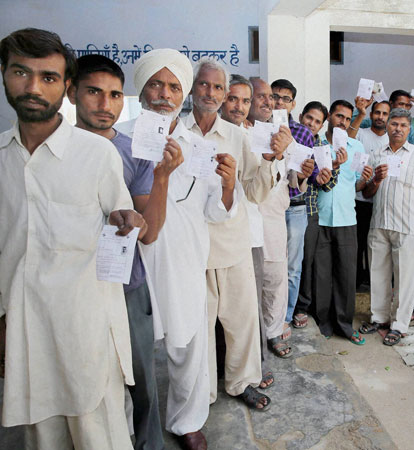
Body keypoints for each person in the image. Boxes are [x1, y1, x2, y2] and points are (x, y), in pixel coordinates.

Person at [0, 28, 145, 449]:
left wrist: (124, 220)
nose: (32, 87)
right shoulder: (2, 157)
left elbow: (123, 218)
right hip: (25, 333)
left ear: (65, 86)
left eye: (47, 77)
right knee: (41, 437)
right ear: (4, 74)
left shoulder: (96, 154)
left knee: (98, 435)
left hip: (85, 332)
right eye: (20, 72)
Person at [117, 49, 239, 450]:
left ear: (182, 93)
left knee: (188, 343)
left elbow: (214, 211)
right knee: (129, 350)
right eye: (156, 84)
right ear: (141, 89)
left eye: (173, 86)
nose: (164, 94)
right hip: (133, 260)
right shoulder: (118, 138)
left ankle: (186, 420)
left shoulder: (197, 146)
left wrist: (227, 186)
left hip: (185, 258)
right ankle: (125, 423)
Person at [68, 54, 181, 450]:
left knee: (142, 379)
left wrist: (162, 177)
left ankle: (149, 443)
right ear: (72, 93)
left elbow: (148, 234)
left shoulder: (134, 151)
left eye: (115, 95)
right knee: (84, 379)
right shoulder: (57, 149)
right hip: (74, 287)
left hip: (126, 284)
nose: (105, 104)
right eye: (94, 92)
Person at [183, 59, 285, 413]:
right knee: (198, 329)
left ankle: (242, 382)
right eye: (204, 85)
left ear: (224, 92)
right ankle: (202, 392)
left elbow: (255, 193)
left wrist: (270, 160)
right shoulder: (178, 133)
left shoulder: (237, 137)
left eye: (217, 87)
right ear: (192, 88)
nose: (210, 93)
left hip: (233, 244)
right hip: (193, 249)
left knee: (242, 322)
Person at [360, 108, 414, 346]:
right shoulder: (376, 154)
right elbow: (367, 192)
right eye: (394, 124)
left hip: (407, 227)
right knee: (378, 274)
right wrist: (376, 179)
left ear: (409, 128)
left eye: (403, 125)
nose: (398, 129)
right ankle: (379, 318)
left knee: (404, 278)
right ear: (388, 125)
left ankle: (399, 325)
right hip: (379, 224)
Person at [220, 74, 274, 388]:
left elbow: (257, 192)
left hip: (248, 235)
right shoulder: (204, 135)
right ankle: (221, 369)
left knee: (248, 310)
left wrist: (271, 159)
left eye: (245, 101)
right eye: (232, 99)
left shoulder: (254, 136)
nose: (239, 107)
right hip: (211, 239)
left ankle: (256, 369)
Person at [314, 100, 371, 344]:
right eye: (339, 116)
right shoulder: (317, 143)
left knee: (346, 275)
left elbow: (357, 185)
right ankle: (323, 323)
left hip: (347, 218)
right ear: (329, 117)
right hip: (320, 218)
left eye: (348, 119)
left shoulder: (356, 147)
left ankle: (345, 325)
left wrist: (366, 179)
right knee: (321, 274)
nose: (343, 122)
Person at [269, 79, 316, 341]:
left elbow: (307, 172)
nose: (279, 102)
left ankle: (285, 317)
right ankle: (268, 318)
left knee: (292, 268)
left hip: (295, 206)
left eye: (285, 99)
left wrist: (306, 172)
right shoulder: (260, 127)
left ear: (293, 104)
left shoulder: (303, 133)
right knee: (269, 266)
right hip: (267, 206)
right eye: (274, 96)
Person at [294, 101, 339, 328]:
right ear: (301, 116)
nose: (311, 123)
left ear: (322, 125)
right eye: (309, 118)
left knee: (305, 261)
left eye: (317, 121)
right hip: (282, 209)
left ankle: (301, 307)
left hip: (309, 211)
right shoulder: (289, 139)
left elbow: (328, 186)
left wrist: (332, 171)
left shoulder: (322, 148)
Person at [354, 100, 391, 288]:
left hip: (382, 202)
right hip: (359, 200)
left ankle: (374, 280)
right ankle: (357, 280)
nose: (380, 117)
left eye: (385, 114)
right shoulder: (361, 134)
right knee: (358, 242)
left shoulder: (391, 140)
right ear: (371, 114)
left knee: (378, 245)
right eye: (377, 112)